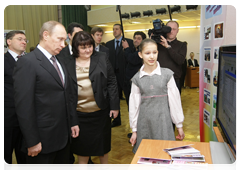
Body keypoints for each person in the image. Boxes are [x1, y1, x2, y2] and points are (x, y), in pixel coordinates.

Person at [13, 20, 79, 170]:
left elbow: (67, 95)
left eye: (65, 40)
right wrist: (32, 141)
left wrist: (73, 122)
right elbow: (24, 107)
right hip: (42, 141)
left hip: (63, 138)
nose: (63, 44)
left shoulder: (60, 61)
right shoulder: (27, 62)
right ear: (46, 35)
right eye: (60, 39)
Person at [65, 31, 119, 170]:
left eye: (90, 46)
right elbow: (67, 92)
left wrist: (114, 106)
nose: (88, 50)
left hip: (100, 111)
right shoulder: (67, 62)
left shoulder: (101, 57)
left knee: (102, 143)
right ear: (76, 47)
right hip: (79, 114)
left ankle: (105, 168)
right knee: (82, 146)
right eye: (83, 47)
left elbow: (112, 81)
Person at [129, 39, 185, 154]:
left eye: (154, 52)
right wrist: (134, 130)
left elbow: (175, 102)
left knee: (165, 153)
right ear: (140, 55)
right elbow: (134, 106)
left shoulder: (167, 74)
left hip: (163, 122)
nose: (151, 57)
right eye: (147, 53)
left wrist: (179, 125)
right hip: (144, 124)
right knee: (146, 155)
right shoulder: (136, 78)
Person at [57, 22, 95, 170]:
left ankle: (87, 160)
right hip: (67, 105)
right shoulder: (60, 54)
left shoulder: (90, 54)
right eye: (77, 34)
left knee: (85, 138)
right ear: (69, 36)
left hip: (87, 107)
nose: (81, 37)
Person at [4, 30, 27, 170]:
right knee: (5, 155)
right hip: (8, 118)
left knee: (24, 154)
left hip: (26, 118)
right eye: (20, 39)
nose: (24, 42)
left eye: (25, 39)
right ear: (9, 41)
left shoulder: (29, 60)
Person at [105, 24, 134, 127]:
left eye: (116, 29)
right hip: (113, 76)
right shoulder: (108, 44)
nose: (114, 31)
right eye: (113, 29)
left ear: (121, 31)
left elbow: (132, 58)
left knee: (130, 99)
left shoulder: (129, 42)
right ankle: (117, 120)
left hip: (125, 76)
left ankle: (133, 121)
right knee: (114, 98)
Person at [157, 20, 187, 95]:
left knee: (174, 106)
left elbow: (180, 60)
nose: (171, 31)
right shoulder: (157, 44)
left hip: (174, 80)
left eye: (174, 29)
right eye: (169, 28)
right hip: (159, 80)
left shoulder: (182, 45)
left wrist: (168, 46)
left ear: (177, 31)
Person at [122, 31, 146, 106]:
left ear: (143, 41)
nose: (136, 40)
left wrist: (126, 48)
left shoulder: (142, 51)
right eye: (135, 38)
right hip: (129, 82)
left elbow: (133, 60)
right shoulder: (133, 50)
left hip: (137, 83)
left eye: (139, 38)